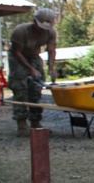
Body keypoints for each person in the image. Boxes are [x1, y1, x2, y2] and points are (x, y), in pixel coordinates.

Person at [8, 8, 58, 137]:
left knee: (36, 87)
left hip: (34, 56)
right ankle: (21, 124)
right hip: (18, 57)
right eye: (40, 25)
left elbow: (51, 51)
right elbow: (16, 52)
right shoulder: (20, 31)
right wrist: (30, 69)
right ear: (34, 21)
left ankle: (35, 123)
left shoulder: (50, 33)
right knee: (20, 89)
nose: (42, 29)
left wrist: (51, 69)